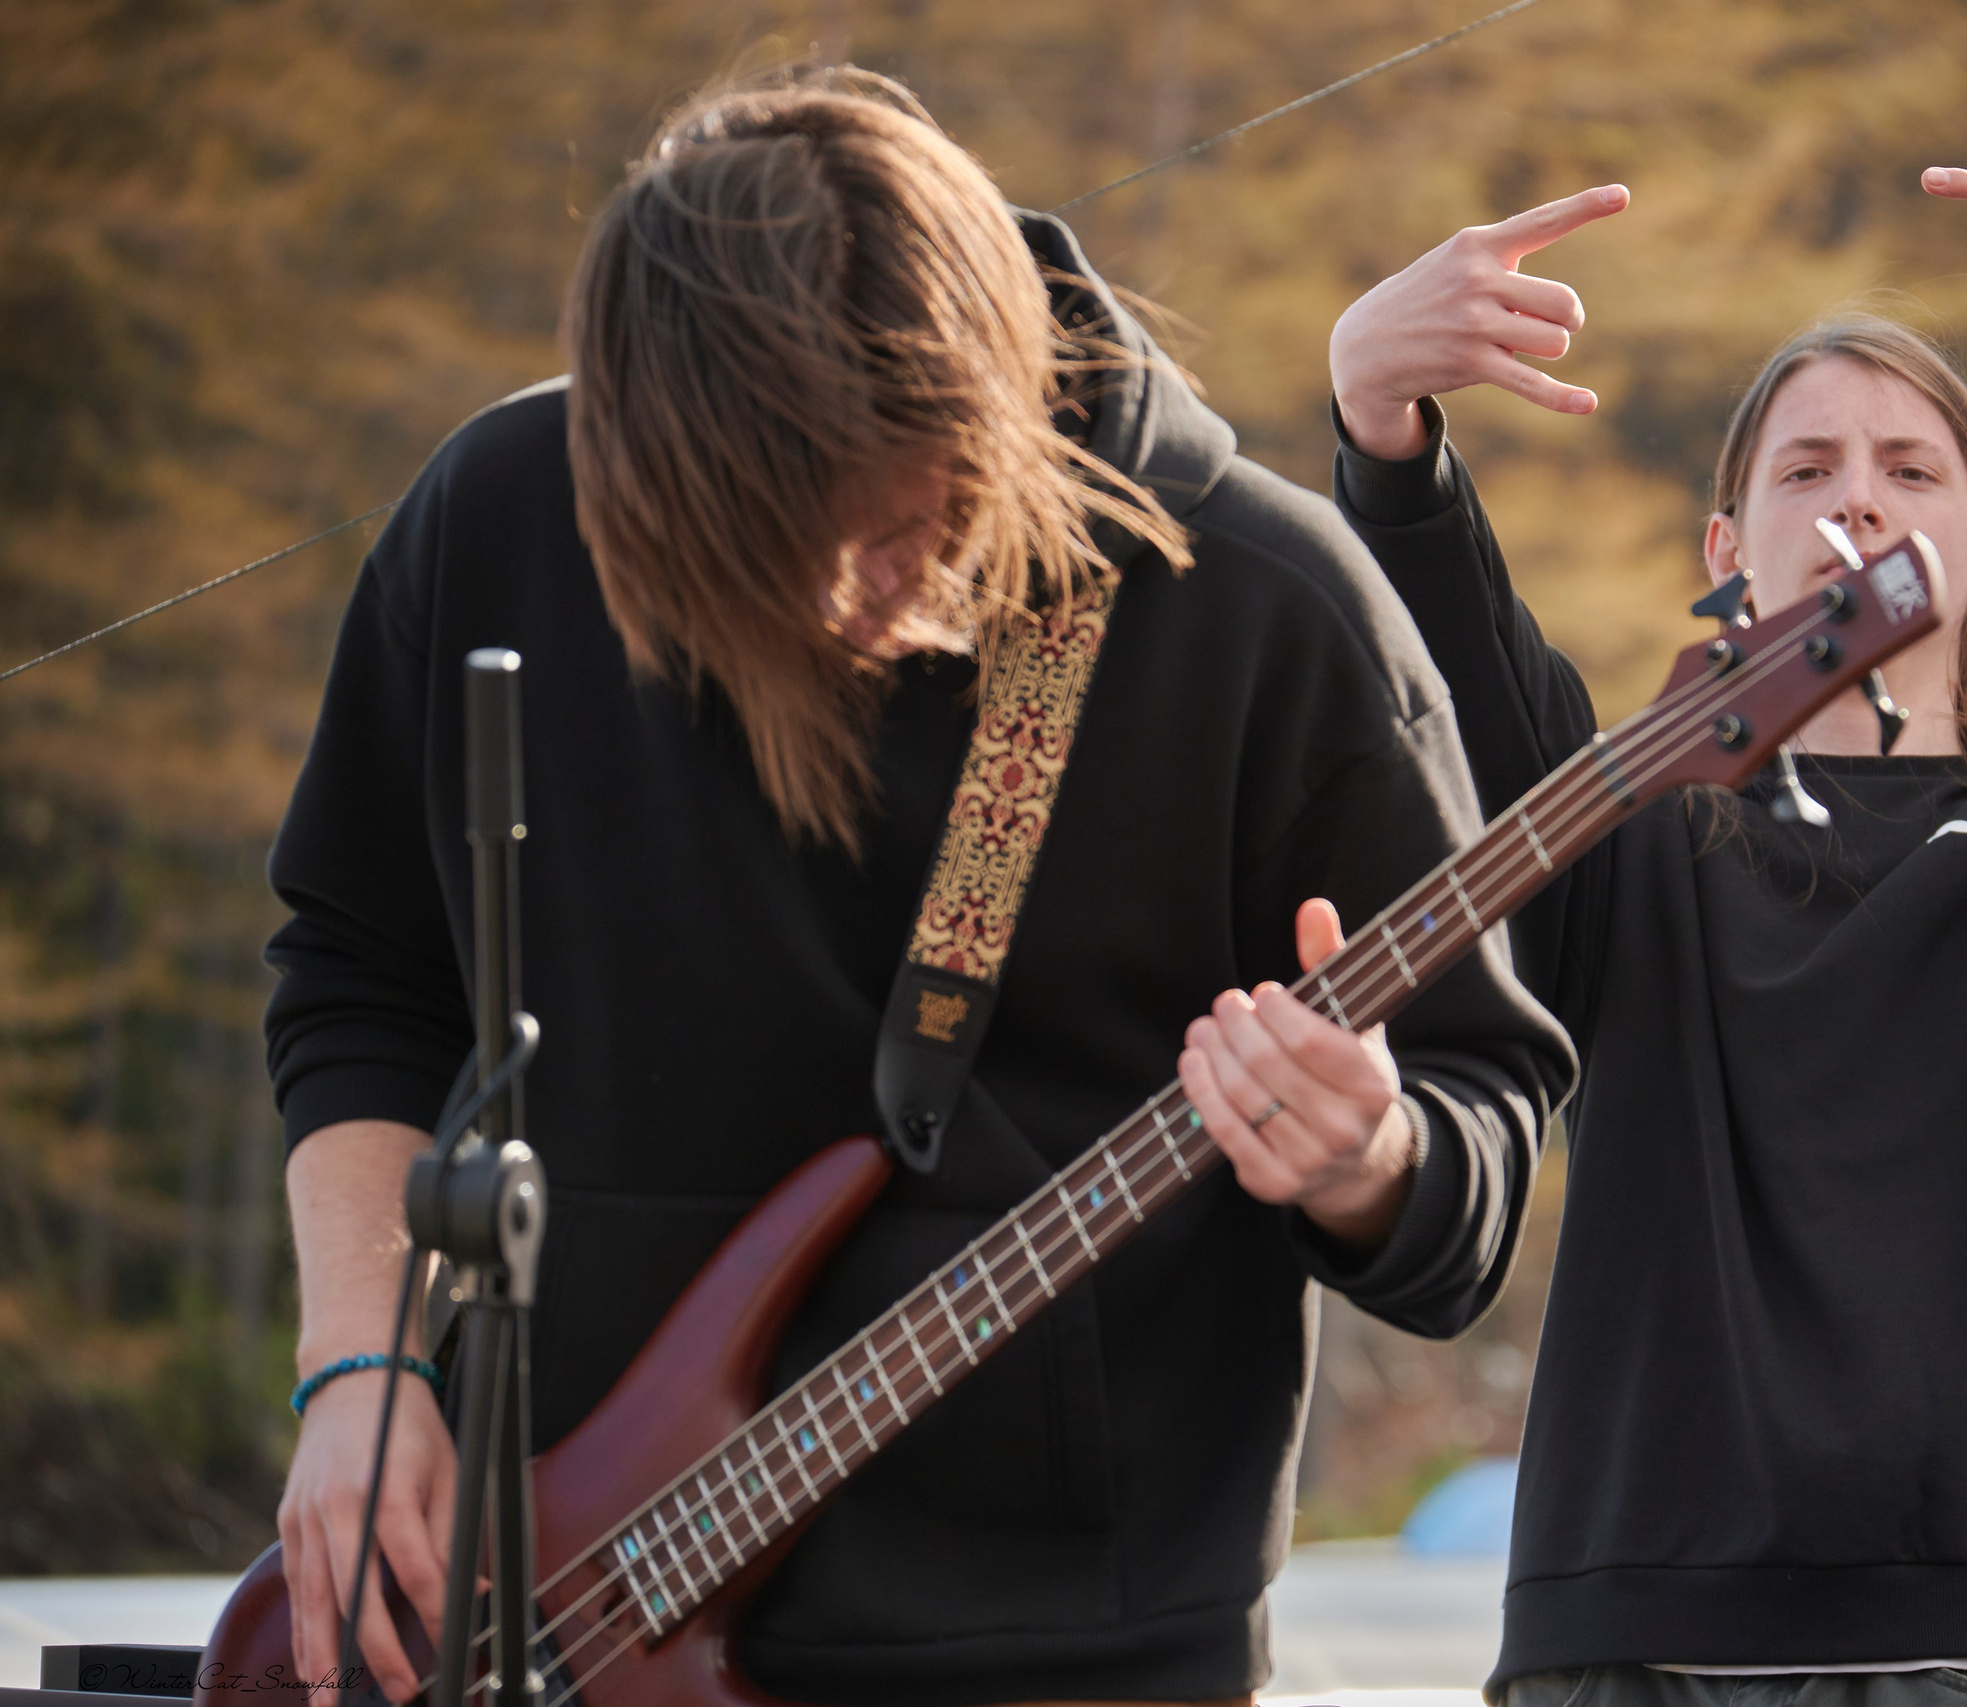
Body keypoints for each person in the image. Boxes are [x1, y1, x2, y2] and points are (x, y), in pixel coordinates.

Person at [265, 68, 1571, 1707]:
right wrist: (362, 1376)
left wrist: (1369, 1156)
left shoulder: (1265, 606)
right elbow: (363, 973)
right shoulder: (505, 516)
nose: (831, 602)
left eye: (897, 530)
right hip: (548, 1622)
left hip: (1079, 1654)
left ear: (992, 399)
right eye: (753, 560)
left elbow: (1482, 1135)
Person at [1325, 169, 1967, 1707]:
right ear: (1726, 549)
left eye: (1911, 468)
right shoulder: (1631, 844)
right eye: (1808, 465)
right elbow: (1479, 700)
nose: (1858, 499)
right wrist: (1384, 427)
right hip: (1644, 1639)